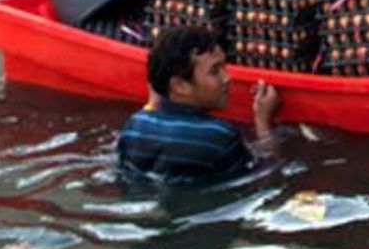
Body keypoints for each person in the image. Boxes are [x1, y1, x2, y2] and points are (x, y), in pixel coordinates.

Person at [117, 26, 280, 183]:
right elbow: (266, 177)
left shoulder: (135, 125)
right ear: (179, 86)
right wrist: (262, 122)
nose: (227, 78)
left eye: (224, 67)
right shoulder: (220, 136)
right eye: (215, 71)